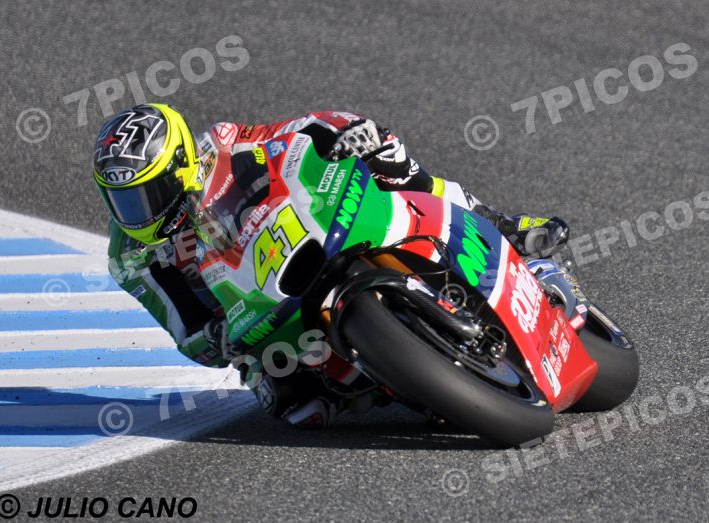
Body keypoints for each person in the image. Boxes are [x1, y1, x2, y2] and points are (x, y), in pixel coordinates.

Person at [93, 103, 569, 427]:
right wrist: (212, 339)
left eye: (146, 194)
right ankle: (398, 377)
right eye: (123, 200)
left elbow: (286, 135)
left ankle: (498, 223)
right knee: (289, 401)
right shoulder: (131, 258)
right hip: (248, 307)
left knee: (390, 164)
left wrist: (343, 133)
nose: (139, 211)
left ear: (179, 163)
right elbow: (183, 328)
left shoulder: (218, 146)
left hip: (301, 232)